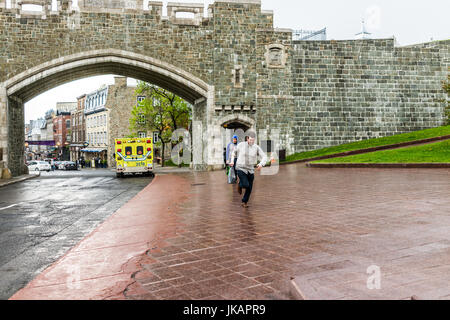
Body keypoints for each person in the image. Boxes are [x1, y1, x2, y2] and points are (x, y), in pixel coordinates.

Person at [231, 131, 267, 208]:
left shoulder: (256, 147)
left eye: (253, 140)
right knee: (245, 184)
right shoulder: (241, 145)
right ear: (247, 138)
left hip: (250, 169)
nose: (252, 142)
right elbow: (233, 152)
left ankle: (244, 202)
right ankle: (240, 185)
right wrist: (231, 161)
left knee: (249, 188)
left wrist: (261, 164)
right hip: (240, 168)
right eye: (250, 140)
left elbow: (264, 156)